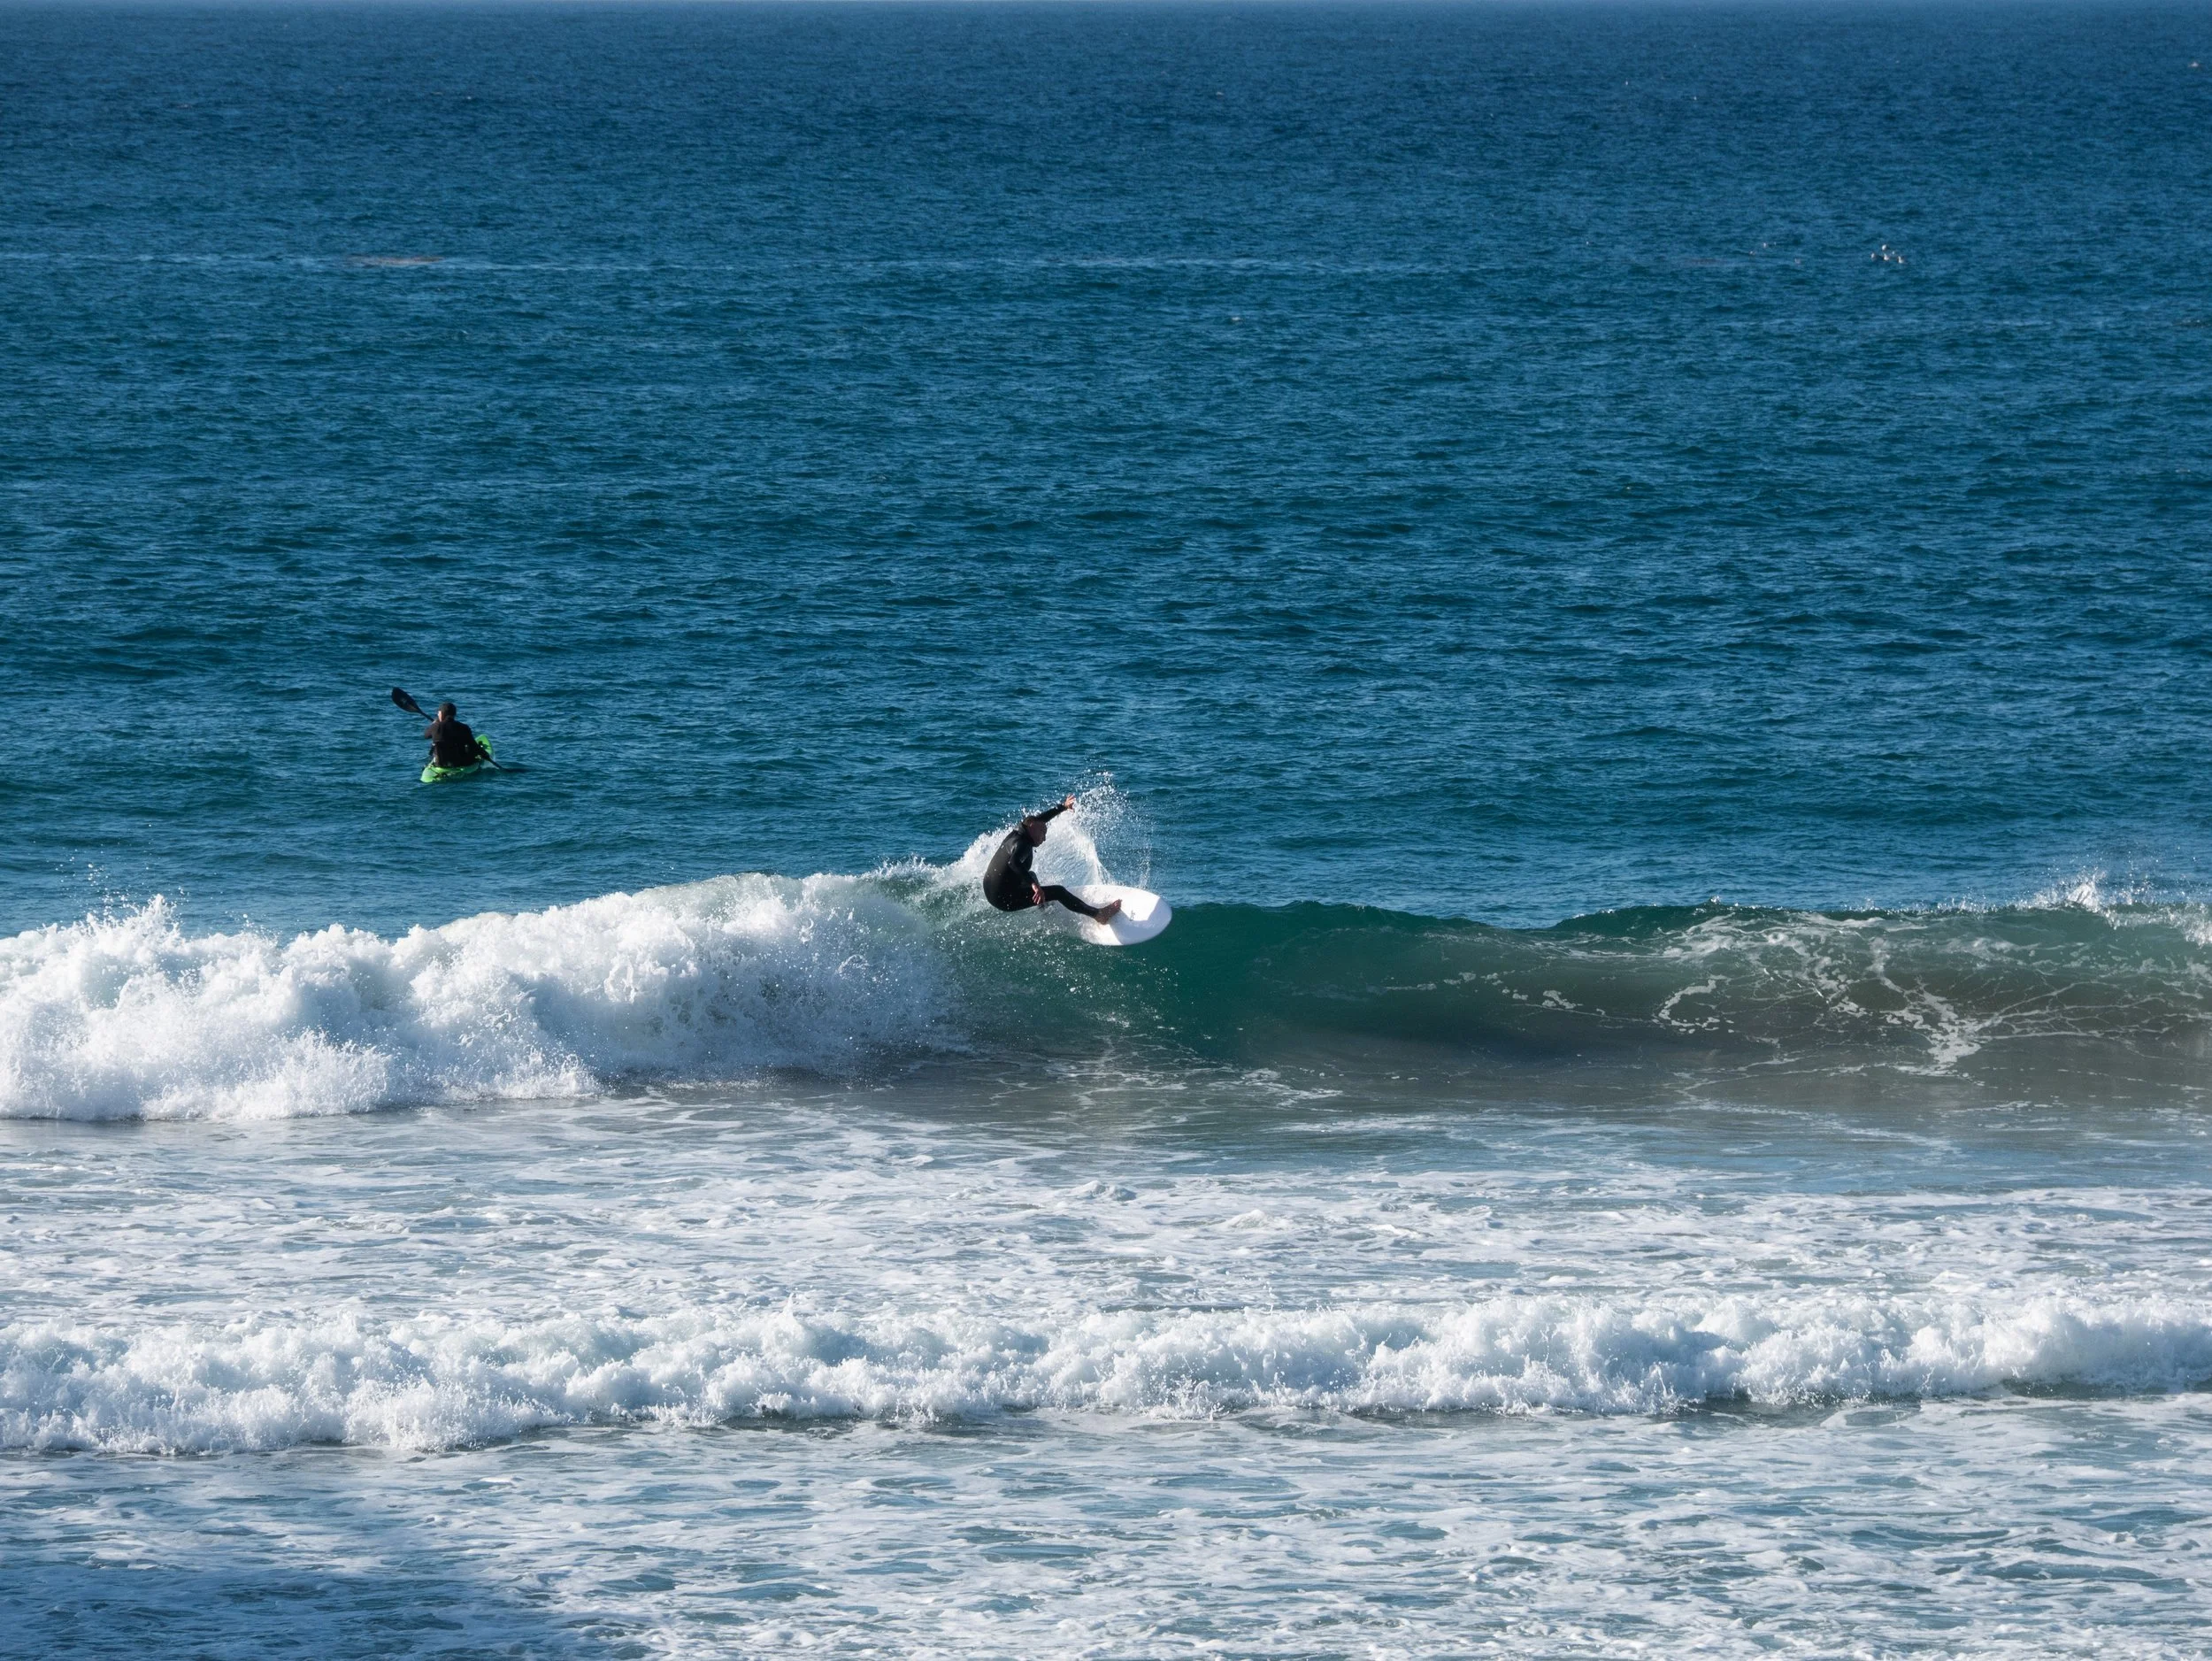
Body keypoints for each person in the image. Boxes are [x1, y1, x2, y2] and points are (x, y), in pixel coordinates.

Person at [982, 796, 1122, 924]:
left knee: (1031, 875)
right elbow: (1013, 863)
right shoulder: (1023, 844)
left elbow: (1041, 820)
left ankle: (1044, 908)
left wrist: (1063, 807)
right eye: (1043, 833)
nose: (1044, 838)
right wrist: (1034, 886)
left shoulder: (1019, 831)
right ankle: (1099, 915)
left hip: (991, 890)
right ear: (1032, 826)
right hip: (1003, 899)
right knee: (1058, 892)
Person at [423, 702, 488, 771]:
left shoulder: (435, 727)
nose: (438, 715)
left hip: (440, 764)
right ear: (454, 714)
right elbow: (473, 746)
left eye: (438, 713)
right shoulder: (464, 728)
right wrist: (485, 754)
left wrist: (434, 724)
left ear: (442, 714)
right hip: (462, 763)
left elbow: (426, 735)